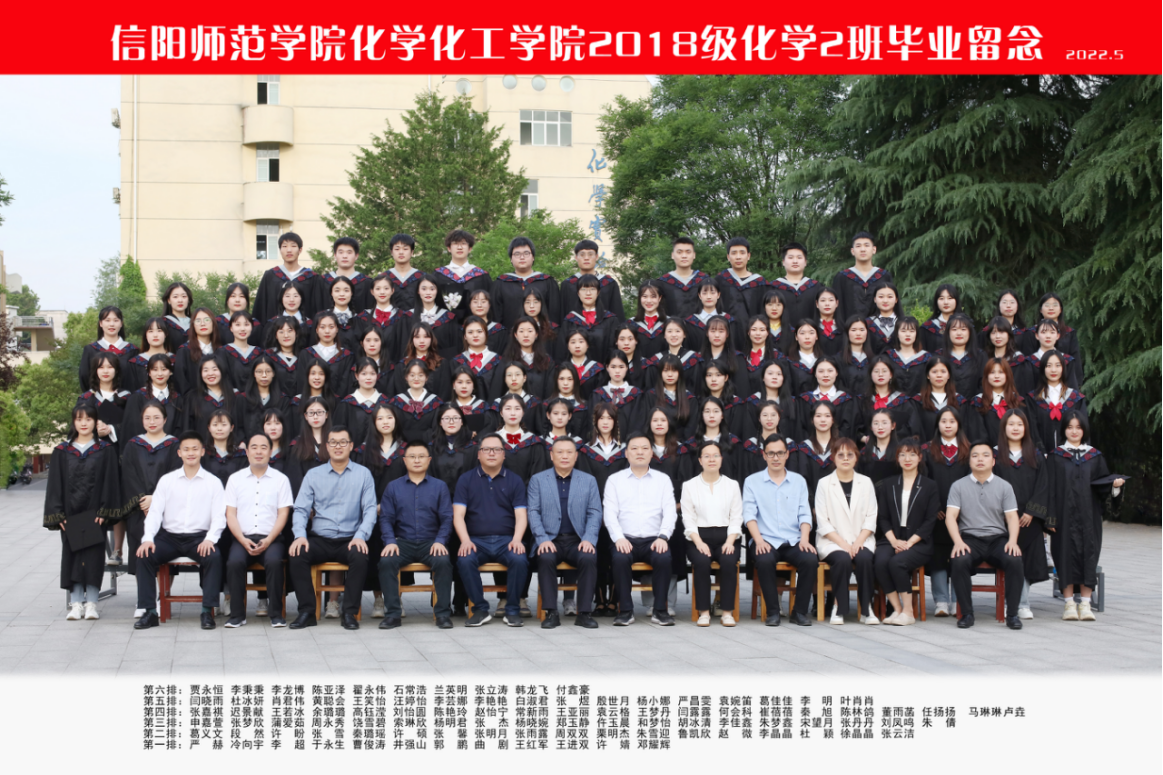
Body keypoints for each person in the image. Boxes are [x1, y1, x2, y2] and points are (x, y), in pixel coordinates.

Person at [1025, 410, 1123, 622]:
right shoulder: (1056, 457)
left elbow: (1103, 487)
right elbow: (1048, 488)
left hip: (1089, 518)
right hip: (1062, 518)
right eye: (1070, 427)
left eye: (1078, 427)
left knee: (1089, 555)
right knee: (1064, 557)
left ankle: (1085, 604)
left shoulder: (1094, 457)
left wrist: (1115, 487)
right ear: (1064, 430)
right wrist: (1050, 518)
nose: (1074, 431)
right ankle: (1069, 604)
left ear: (1084, 430)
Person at [287, 426, 379, 630]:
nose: (338, 446)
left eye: (343, 442)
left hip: (350, 538)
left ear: (351, 446)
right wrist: (300, 536)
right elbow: (301, 509)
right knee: (297, 553)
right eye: (333, 442)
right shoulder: (313, 475)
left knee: (360, 556)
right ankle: (307, 612)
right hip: (320, 538)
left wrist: (360, 536)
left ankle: (349, 613)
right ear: (327, 446)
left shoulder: (363, 474)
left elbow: (370, 510)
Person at [133, 431, 227, 630]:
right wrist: (148, 538)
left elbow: (219, 516)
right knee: (144, 555)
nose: (190, 453)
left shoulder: (213, 482)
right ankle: (150, 611)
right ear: (179, 453)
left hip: (199, 538)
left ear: (202, 451)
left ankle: (207, 611)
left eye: (195, 449)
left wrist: (210, 539)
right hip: (169, 538)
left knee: (214, 556)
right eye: (186, 449)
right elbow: (155, 513)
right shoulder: (167, 480)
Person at [44, 404, 126, 621]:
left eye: (88, 419)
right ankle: (76, 603)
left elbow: (110, 482)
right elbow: (54, 485)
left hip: (95, 514)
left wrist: (105, 510)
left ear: (95, 422)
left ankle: (91, 604)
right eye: (79, 419)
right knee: (72, 557)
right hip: (70, 514)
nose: (83, 423)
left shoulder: (105, 450)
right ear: (73, 422)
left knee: (93, 558)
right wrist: (58, 513)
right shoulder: (62, 451)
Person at [945, 442, 1026, 630]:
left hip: (997, 539)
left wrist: (1013, 541)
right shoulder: (958, 486)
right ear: (969, 461)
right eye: (975, 455)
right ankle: (967, 614)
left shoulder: (1004, 486)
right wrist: (957, 542)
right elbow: (950, 517)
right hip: (970, 538)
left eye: (985, 455)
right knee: (959, 559)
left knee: (1014, 559)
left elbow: (1012, 517)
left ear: (993, 461)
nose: (980, 459)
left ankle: (1012, 614)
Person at [453, 434, 530, 627]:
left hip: (506, 540)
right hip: (476, 540)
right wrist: (465, 540)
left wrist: (517, 539)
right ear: (478, 454)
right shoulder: (466, 480)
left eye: (497, 449)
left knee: (519, 559)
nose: (492, 453)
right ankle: (480, 609)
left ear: (504, 454)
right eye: (486, 449)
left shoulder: (515, 480)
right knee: (465, 559)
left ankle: (512, 610)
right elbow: (458, 515)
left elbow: (521, 515)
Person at [377, 440, 455, 630]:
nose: (417, 460)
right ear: (404, 460)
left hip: (431, 543)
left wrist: (440, 541)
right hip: (402, 542)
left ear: (429, 460)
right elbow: (385, 518)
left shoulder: (440, 487)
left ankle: (443, 613)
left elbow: (447, 518)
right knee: (386, 562)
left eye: (421, 456)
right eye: (412, 456)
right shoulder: (393, 487)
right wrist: (390, 541)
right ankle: (393, 614)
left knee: (443, 561)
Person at [528, 437, 603, 630]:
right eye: (559, 452)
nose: (564, 456)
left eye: (569, 452)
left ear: (576, 456)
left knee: (588, 557)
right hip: (550, 539)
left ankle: (584, 613)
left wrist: (589, 539)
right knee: (545, 557)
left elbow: (595, 512)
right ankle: (551, 612)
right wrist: (542, 539)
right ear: (551, 455)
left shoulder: (588, 480)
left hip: (577, 540)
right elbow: (533, 512)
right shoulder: (538, 480)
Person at [742, 434, 818, 626]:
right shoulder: (752, 481)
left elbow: (805, 514)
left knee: (810, 559)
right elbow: (749, 515)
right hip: (765, 538)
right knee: (765, 559)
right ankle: (773, 612)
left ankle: (799, 612)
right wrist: (758, 541)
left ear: (787, 454)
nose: (776, 458)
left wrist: (805, 539)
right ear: (764, 455)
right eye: (771, 453)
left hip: (793, 540)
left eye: (780, 453)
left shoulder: (798, 481)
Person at [604, 433, 678, 626]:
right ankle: (625, 611)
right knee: (620, 558)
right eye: (634, 448)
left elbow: (670, 512)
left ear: (651, 453)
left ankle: (660, 610)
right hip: (625, 538)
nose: (640, 452)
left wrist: (663, 537)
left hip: (654, 539)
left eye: (645, 448)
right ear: (626, 453)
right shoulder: (614, 480)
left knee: (663, 558)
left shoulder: (662, 480)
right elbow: (610, 514)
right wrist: (619, 538)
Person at [223, 432, 294, 628]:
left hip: (272, 538)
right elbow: (230, 514)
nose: (259, 451)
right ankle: (237, 615)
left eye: (264, 447)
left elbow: (283, 514)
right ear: (247, 452)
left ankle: (276, 614)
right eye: (254, 447)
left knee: (274, 562)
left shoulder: (281, 480)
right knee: (234, 562)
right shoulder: (235, 479)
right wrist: (242, 539)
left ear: (271, 452)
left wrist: (269, 539)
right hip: (242, 538)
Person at [874, 439, 939, 625]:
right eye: (902, 455)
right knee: (880, 561)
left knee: (897, 562)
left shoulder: (929, 486)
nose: (907, 459)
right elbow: (883, 517)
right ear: (897, 459)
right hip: (892, 537)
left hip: (918, 541)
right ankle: (897, 609)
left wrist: (909, 543)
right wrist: (894, 541)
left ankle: (909, 612)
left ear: (920, 458)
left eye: (912, 454)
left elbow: (930, 520)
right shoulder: (888, 484)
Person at [815, 438, 880, 625]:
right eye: (841, 455)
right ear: (833, 458)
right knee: (842, 559)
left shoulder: (865, 482)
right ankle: (838, 607)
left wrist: (858, 542)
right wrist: (844, 544)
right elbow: (823, 521)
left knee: (865, 559)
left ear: (856, 458)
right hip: (832, 542)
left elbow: (871, 516)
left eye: (850, 455)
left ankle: (867, 608)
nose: (845, 458)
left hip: (861, 539)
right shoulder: (824, 484)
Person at [680, 440, 743, 627]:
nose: (711, 459)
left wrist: (730, 542)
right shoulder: (689, 486)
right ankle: (704, 612)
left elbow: (736, 517)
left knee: (728, 562)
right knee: (701, 562)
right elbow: (688, 519)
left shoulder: (732, 485)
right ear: (700, 460)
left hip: (727, 537)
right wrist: (698, 542)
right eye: (706, 456)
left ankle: (727, 612)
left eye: (716, 455)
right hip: (699, 537)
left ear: (721, 459)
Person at [252, 231, 324, 323]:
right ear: (280, 250)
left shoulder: (312, 278)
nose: (289, 250)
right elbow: (261, 308)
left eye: (293, 246)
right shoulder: (270, 276)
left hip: (306, 330)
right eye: (285, 246)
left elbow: (319, 309)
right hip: (275, 329)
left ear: (300, 250)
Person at [491, 237, 561, 329]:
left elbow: (554, 314)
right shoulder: (500, 283)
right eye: (517, 254)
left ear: (533, 257)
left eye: (526, 253)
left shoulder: (547, 282)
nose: (522, 257)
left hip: (543, 335)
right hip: (509, 335)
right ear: (511, 259)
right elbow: (496, 316)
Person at [433, 229, 491, 325]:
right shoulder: (439, 275)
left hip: (476, 327)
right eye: (455, 243)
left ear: (470, 248)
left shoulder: (481, 275)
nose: (459, 247)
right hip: (446, 326)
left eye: (464, 243)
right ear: (449, 248)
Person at [831, 232, 893, 321]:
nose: (863, 249)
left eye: (867, 245)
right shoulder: (842, 278)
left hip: (880, 328)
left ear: (874, 249)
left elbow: (892, 307)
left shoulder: (884, 276)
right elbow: (837, 309)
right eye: (858, 246)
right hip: (849, 328)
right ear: (852, 251)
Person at [561, 239, 625, 321]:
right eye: (582, 255)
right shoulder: (568, 284)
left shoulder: (609, 283)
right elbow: (562, 314)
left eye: (590, 254)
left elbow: (617, 313)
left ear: (596, 257)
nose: (586, 258)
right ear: (576, 257)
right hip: (573, 328)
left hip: (605, 328)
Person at [767, 242, 821, 326]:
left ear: (805, 262)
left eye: (799, 257)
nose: (795, 261)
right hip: (781, 333)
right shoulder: (772, 287)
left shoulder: (816, 287)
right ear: (783, 262)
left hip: (810, 333)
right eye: (790, 257)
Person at [655, 236, 709, 320]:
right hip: (671, 327)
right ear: (672, 255)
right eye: (679, 252)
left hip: (701, 327)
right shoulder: (662, 283)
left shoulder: (704, 280)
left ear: (694, 255)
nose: (684, 256)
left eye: (688, 252)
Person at [716, 236, 768, 322]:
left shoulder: (760, 283)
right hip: (726, 328)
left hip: (753, 329)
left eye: (742, 253)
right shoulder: (720, 280)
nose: (738, 257)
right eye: (734, 253)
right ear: (728, 257)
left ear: (748, 256)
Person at [323, 236, 373, 313]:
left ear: (356, 256)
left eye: (349, 252)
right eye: (341, 252)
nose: (345, 256)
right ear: (335, 255)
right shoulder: (323, 281)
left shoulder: (367, 283)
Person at [386, 233, 425, 312]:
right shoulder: (384, 278)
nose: (401, 252)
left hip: (417, 319)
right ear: (391, 252)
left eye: (405, 249)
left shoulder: (422, 278)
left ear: (412, 252)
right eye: (397, 249)